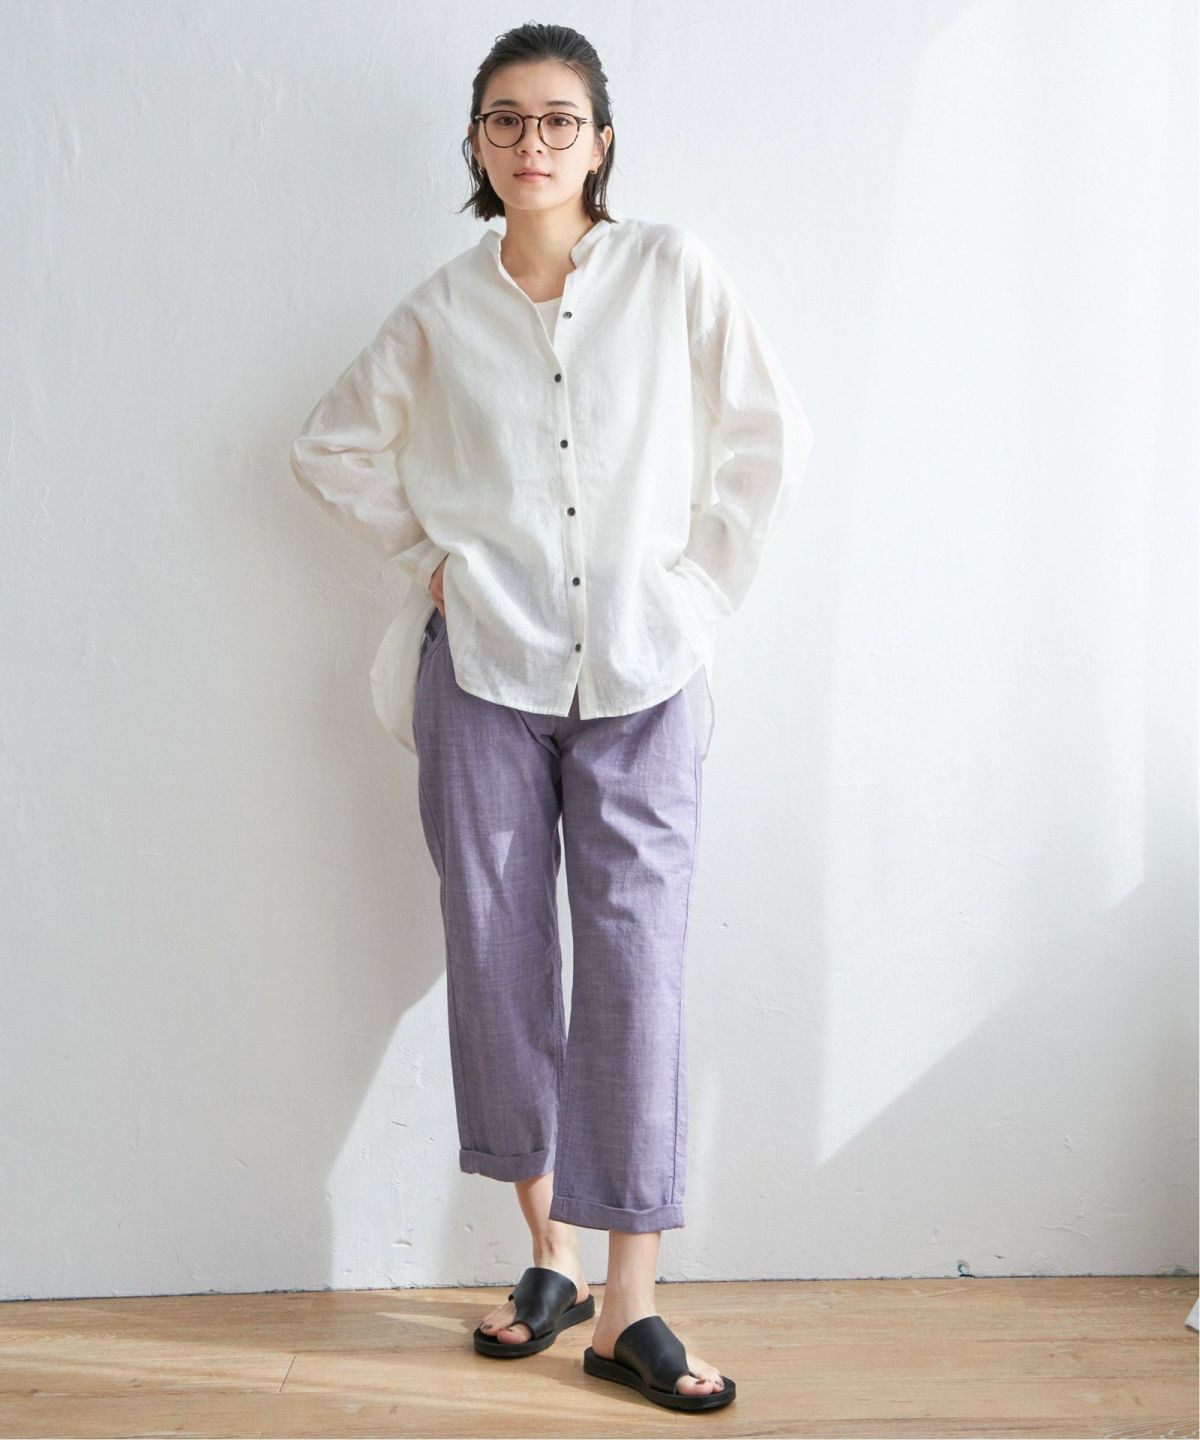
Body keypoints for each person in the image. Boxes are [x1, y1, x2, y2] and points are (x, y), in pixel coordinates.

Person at [290, 22, 813, 1414]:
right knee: (498, 954)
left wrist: (697, 592)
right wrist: (433, 559)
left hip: (643, 672)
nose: (533, 143)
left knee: (637, 965)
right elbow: (327, 447)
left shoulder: (672, 271)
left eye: (559, 119)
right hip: (483, 671)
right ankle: (549, 1254)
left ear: (602, 141)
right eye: (506, 120)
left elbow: (768, 437)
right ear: (477, 142)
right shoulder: (440, 309)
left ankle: (631, 1301)